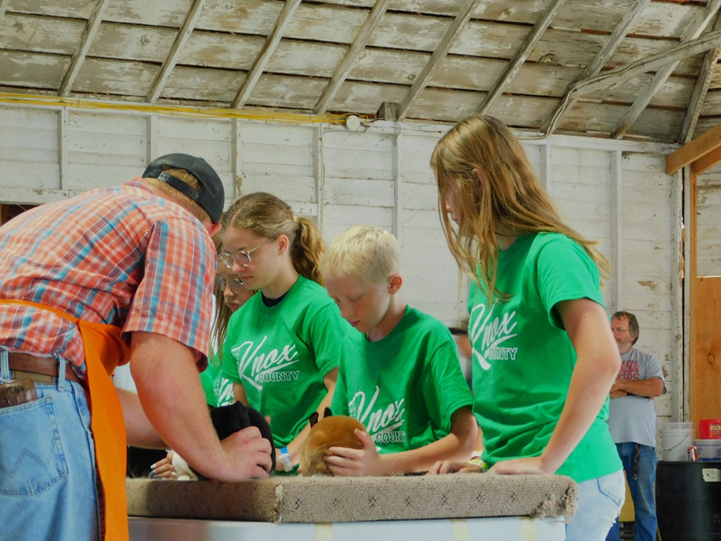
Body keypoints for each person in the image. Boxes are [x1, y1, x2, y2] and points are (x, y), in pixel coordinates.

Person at [0, 154, 272, 541]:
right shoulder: (180, 226)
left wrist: (199, 427)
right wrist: (219, 458)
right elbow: (159, 365)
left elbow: (80, 396)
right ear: (212, 227)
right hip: (29, 404)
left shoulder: (43, 218)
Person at [426, 115, 624, 541]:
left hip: (571, 473)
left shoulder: (551, 253)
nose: (445, 204)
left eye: (447, 187)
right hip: (515, 473)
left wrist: (547, 461)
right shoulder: (487, 268)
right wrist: (483, 458)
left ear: (477, 180)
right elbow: (510, 385)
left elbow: (604, 359)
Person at [319, 225, 477, 476]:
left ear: (393, 284)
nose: (344, 312)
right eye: (336, 300)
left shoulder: (429, 337)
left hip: (415, 490)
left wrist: (382, 465)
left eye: (355, 298)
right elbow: (341, 432)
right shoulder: (350, 342)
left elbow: (466, 440)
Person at [220, 192, 350, 474]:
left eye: (246, 254)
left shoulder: (318, 308)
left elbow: (340, 390)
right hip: (267, 466)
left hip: (312, 465)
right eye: (230, 256)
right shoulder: (239, 320)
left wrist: (294, 452)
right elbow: (241, 406)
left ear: (281, 244)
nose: (237, 267)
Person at [606, 311, 666, 541]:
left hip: (640, 443)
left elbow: (655, 389)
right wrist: (636, 389)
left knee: (645, 505)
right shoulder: (600, 360)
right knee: (609, 503)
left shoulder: (648, 360)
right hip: (606, 443)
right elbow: (596, 393)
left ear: (633, 335)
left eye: (619, 330)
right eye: (611, 328)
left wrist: (620, 384)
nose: (613, 334)